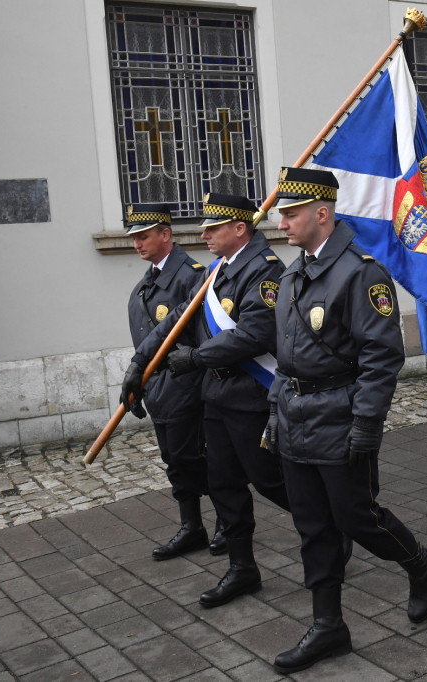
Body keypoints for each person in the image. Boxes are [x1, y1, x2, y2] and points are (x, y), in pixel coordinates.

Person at [264, 168, 427, 674]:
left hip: (341, 418)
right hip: (297, 418)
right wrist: (276, 414)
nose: (282, 222)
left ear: (322, 213)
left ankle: (420, 562)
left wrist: (366, 423)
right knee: (313, 527)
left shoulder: (362, 273)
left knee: (357, 518)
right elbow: (286, 357)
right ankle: (329, 628)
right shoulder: (293, 274)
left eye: (291, 212)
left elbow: (381, 357)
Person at [122, 192, 294, 609]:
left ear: (240, 229)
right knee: (223, 484)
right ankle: (242, 569)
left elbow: (255, 334)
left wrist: (196, 357)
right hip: (216, 395)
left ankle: (330, 526)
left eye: (212, 228)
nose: (203, 235)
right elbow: (176, 320)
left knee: (271, 480)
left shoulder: (265, 271)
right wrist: (138, 364)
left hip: (252, 394)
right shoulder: (218, 270)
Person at [121, 203, 226, 560]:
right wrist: (137, 381)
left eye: (144, 236)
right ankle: (191, 526)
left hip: (187, 387)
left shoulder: (191, 276)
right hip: (159, 392)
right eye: (133, 237)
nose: (137, 243)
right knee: (175, 461)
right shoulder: (143, 286)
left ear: (166, 234)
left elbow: (201, 337)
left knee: (196, 457)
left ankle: (227, 520)